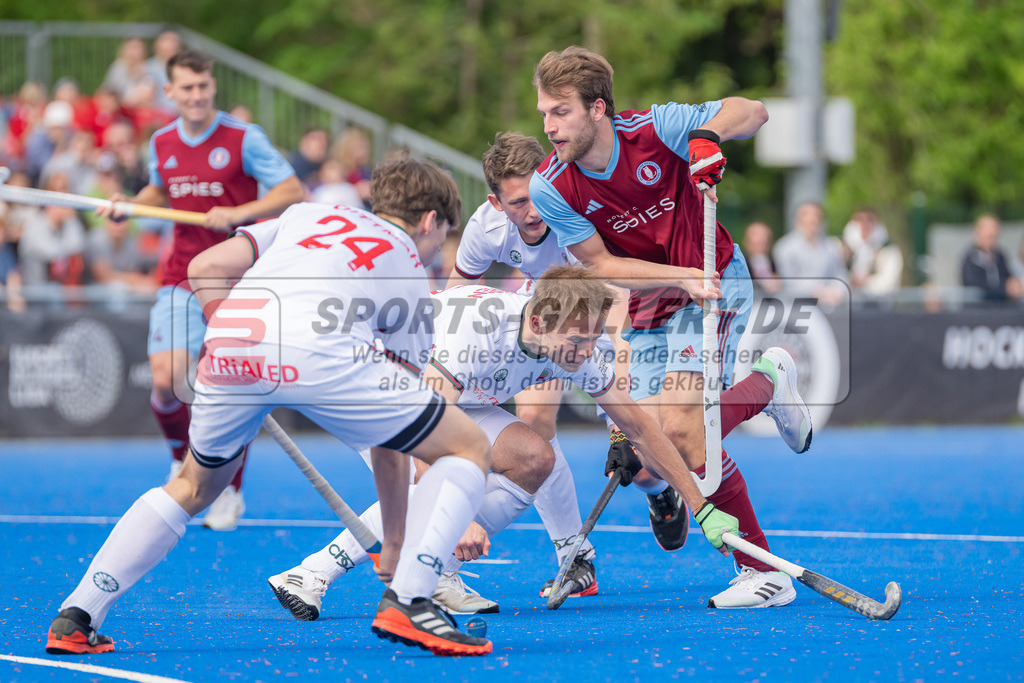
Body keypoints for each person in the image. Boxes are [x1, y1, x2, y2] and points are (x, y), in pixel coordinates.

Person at [45, 154, 495, 658]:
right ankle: (409, 600)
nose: (437, 248)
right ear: (431, 221)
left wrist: (231, 333)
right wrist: (393, 543)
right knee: (469, 446)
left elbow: (204, 267)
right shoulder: (410, 266)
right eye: (442, 235)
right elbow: (394, 441)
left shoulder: (306, 214)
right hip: (323, 350)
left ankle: (76, 615)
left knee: (193, 485)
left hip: (234, 337)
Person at [266, 266, 745, 623]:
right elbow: (422, 435)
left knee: (535, 457)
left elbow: (640, 427)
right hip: (376, 386)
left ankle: (440, 568)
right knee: (442, 480)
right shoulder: (477, 332)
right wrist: (461, 514)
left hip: (454, 397)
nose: (586, 352)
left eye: (594, 337)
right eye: (578, 340)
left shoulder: (576, 345)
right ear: (538, 323)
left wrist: (699, 504)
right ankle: (310, 573)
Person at [529, 46, 811, 609]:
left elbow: (752, 110)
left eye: (561, 111)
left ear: (598, 109)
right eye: (543, 112)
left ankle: (761, 571)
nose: (549, 125)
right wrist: (675, 276)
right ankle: (766, 385)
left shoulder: (657, 129)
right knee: (649, 455)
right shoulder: (551, 186)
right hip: (650, 298)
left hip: (712, 278)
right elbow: (603, 266)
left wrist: (707, 136)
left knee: (683, 431)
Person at [98, 49, 304, 530]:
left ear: (213, 86)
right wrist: (130, 205)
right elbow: (159, 190)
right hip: (179, 274)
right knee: (169, 380)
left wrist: (237, 213)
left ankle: (229, 489)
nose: (196, 96)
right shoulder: (162, 141)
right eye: (186, 88)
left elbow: (291, 191)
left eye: (203, 86)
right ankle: (180, 460)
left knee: (226, 384)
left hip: (237, 278)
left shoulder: (242, 138)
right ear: (169, 92)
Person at [772, 201, 847, 305]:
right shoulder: (784, 248)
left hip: (828, 306)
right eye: (808, 217)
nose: (814, 220)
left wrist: (838, 290)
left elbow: (840, 274)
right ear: (798, 220)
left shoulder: (831, 247)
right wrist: (815, 290)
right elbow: (786, 281)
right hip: (795, 306)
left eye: (817, 216)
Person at [960, 214, 1023, 303]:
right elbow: (973, 285)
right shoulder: (971, 258)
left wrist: (1014, 285)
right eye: (989, 235)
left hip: (1002, 308)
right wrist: (1003, 289)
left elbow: (1007, 276)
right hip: (978, 310)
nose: (992, 235)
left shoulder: (1000, 257)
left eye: (994, 234)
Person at [842, 207, 903, 296]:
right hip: (847, 305)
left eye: (870, 219)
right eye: (859, 219)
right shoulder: (840, 248)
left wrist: (865, 283)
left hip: (878, 305)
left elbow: (889, 284)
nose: (865, 224)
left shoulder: (889, 250)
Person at [742, 221, 782, 295]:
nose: (762, 239)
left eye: (764, 235)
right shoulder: (740, 265)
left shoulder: (774, 262)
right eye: (756, 235)